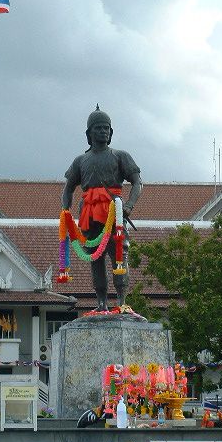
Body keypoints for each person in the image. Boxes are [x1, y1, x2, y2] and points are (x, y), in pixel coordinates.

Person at [62, 105, 142, 311]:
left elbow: (137, 182)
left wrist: (130, 205)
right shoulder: (80, 161)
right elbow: (68, 188)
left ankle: (122, 302)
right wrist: (66, 213)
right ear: (89, 133)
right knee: (95, 257)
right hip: (89, 213)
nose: (103, 131)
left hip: (112, 212)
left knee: (119, 255)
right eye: (98, 128)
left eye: (107, 128)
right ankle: (101, 303)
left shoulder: (119, 156)